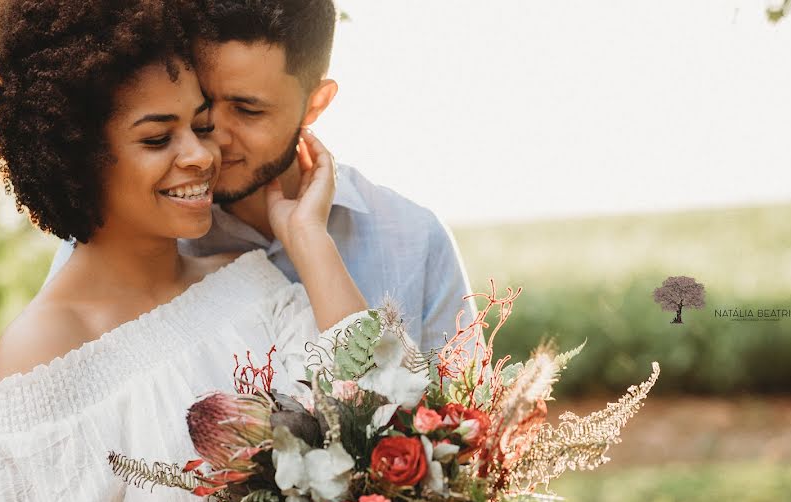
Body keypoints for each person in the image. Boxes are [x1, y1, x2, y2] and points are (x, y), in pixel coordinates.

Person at [0, 1, 366, 502]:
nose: (202, 156)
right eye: (159, 137)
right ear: (77, 153)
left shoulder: (247, 283)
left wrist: (309, 240)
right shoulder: (43, 355)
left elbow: (378, 410)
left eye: (199, 125)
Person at [44, 0, 478, 351]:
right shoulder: (120, 243)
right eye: (203, 102)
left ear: (315, 104)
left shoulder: (415, 241)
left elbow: (463, 440)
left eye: (248, 110)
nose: (211, 137)